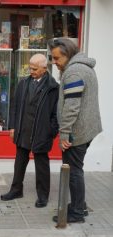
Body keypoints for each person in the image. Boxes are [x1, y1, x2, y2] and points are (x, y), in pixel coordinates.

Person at [49, 38, 102, 223]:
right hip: (87, 128)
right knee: (76, 170)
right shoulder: (83, 67)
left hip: (76, 132)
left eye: (56, 58)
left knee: (73, 171)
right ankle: (79, 205)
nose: (54, 62)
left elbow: (72, 106)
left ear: (67, 54)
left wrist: (64, 133)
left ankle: (77, 212)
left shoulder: (74, 72)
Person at [0, 54, 59, 208]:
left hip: (41, 132)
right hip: (23, 129)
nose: (31, 71)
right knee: (19, 162)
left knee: (42, 165)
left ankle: (43, 196)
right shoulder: (23, 83)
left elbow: (56, 113)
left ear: (44, 69)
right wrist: (12, 126)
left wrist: (51, 131)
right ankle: (16, 190)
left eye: (34, 68)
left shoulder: (53, 88)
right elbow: (15, 106)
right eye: (30, 67)